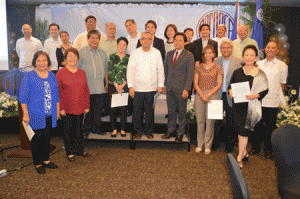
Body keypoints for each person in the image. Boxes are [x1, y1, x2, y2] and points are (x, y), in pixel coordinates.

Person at [19, 51, 60, 174]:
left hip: (50, 113)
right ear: (34, 63)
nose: (42, 63)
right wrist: (25, 114)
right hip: (35, 114)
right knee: (37, 139)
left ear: (48, 62)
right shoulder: (29, 76)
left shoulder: (52, 75)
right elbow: (22, 97)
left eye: (44, 60)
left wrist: (57, 111)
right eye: (39, 60)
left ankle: (46, 160)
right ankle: (37, 163)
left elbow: (56, 95)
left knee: (47, 137)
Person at [228, 45, 268, 168]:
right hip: (238, 107)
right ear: (243, 57)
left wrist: (256, 95)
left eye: (252, 55)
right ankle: (245, 153)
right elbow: (230, 86)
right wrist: (230, 92)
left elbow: (265, 90)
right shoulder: (237, 72)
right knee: (240, 131)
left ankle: (239, 156)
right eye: (247, 55)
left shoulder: (260, 73)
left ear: (255, 57)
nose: (249, 57)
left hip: (251, 107)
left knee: (244, 132)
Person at [251, 41, 288, 159]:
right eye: (268, 47)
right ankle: (255, 147)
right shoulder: (258, 64)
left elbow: (282, 84)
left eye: (273, 48)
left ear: (277, 50)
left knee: (270, 127)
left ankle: (268, 149)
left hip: (272, 101)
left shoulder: (282, 66)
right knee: (257, 125)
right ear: (265, 49)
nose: (270, 50)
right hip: (259, 100)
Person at [127, 32, 165, 139]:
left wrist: (160, 85)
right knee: (137, 111)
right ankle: (137, 131)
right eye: (143, 39)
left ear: (151, 40)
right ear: (140, 41)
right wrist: (130, 86)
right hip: (137, 88)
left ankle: (149, 130)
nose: (146, 41)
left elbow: (160, 70)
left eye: (148, 38)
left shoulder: (157, 53)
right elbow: (130, 71)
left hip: (152, 88)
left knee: (150, 111)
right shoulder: (135, 53)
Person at [56, 47, 91, 162]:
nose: (72, 58)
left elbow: (86, 90)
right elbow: (58, 92)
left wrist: (87, 105)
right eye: (69, 56)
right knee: (68, 130)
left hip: (80, 106)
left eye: (74, 56)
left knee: (79, 129)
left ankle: (79, 149)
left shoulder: (82, 72)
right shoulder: (60, 73)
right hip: (66, 107)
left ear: (77, 59)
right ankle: (70, 152)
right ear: (65, 59)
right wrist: (61, 108)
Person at [162, 33, 194, 142]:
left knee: (181, 112)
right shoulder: (170, 54)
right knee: (171, 112)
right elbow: (166, 70)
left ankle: (180, 133)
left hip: (182, 89)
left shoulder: (189, 55)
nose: (177, 42)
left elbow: (190, 74)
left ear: (184, 42)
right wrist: (165, 85)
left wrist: (187, 89)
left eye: (180, 40)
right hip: (170, 88)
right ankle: (170, 131)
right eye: (175, 40)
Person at [213, 39, 242, 152]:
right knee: (216, 120)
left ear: (232, 49)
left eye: (227, 48)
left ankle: (230, 144)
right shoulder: (215, 61)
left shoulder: (239, 62)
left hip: (231, 96)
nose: (225, 50)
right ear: (220, 50)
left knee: (231, 121)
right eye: (223, 48)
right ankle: (215, 142)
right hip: (217, 94)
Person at [78, 30, 108, 135]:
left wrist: (107, 84)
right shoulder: (81, 52)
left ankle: (96, 128)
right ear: (88, 39)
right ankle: (86, 129)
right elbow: (77, 70)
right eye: (92, 38)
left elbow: (105, 70)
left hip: (100, 87)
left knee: (98, 110)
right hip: (86, 87)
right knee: (87, 110)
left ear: (99, 40)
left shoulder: (103, 53)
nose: (94, 40)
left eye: (96, 38)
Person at [194, 45, 223, 154]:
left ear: (214, 54)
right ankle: (200, 144)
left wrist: (208, 94)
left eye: (210, 52)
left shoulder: (218, 67)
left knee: (210, 122)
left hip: (213, 95)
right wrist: (202, 95)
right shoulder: (198, 67)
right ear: (203, 55)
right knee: (200, 121)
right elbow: (195, 83)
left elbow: (219, 84)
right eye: (206, 53)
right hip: (200, 94)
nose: (208, 55)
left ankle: (207, 145)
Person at [107, 37, 130, 138]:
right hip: (113, 86)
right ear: (117, 45)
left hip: (125, 86)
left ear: (126, 46)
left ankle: (123, 129)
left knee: (123, 109)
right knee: (113, 109)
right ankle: (114, 129)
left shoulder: (129, 57)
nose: (122, 46)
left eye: (124, 45)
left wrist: (123, 84)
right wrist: (117, 86)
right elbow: (110, 72)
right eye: (120, 44)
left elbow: (130, 72)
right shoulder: (112, 57)